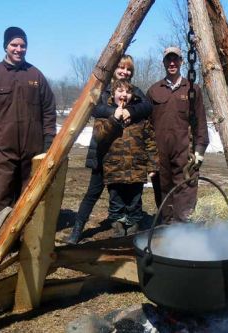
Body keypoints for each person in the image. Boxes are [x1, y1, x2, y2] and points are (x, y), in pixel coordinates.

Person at [0, 27, 56, 237]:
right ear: (5, 46)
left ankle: (24, 237)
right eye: (14, 45)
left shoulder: (35, 75)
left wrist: (48, 139)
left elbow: (48, 108)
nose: (19, 49)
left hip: (32, 149)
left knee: (28, 195)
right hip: (1, 148)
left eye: (22, 45)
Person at [67, 55, 152, 244]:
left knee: (126, 192)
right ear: (114, 69)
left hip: (124, 154)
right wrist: (113, 112)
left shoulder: (134, 92)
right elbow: (94, 109)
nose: (124, 72)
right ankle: (77, 230)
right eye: (121, 67)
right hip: (102, 150)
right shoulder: (103, 91)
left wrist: (131, 111)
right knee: (93, 192)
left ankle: (127, 223)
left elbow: (147, 107)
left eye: (128, 69)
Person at [147, 46, 209, 223]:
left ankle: (183, 230)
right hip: (161, 153)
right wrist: (149, 156)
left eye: (176, 59)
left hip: (185, 151)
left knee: (185, 189)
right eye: (168, 59)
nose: (172, 63)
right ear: (164, 62)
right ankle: (166, 227)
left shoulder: (192, 89)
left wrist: (200, 150)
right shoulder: (154, 90)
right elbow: (147, 126)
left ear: (182, 61)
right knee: (163, 189)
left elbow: (200, 123)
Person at [94, 79, 158, 237]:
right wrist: (114, 119)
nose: (124, 95)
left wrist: (153, 165)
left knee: (135, 201)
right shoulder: (105, 114)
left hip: (136, 167)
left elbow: (150, 141)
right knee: (116, 201)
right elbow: (99, 137)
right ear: (113, 94)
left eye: (128, 92)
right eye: (120, 91)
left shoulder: (138, 115)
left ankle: (133, 224)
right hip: (114, 167)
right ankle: (118, 224)